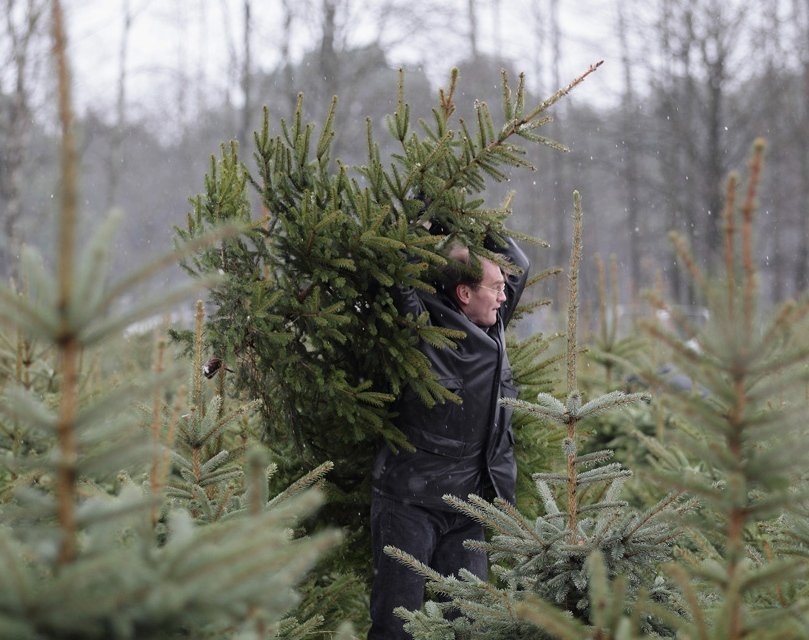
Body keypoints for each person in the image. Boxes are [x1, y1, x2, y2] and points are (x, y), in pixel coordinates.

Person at [368, 234, 530, 639]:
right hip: (410, 504)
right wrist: (423, 214)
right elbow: (396, 270)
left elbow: (519, 266)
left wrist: (469, 225)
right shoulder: (425, 329)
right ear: (463, 293)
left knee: (468, 625)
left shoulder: (493, 328)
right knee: (396, 624)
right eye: (495, 288)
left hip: (466, 508)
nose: (503, 296)